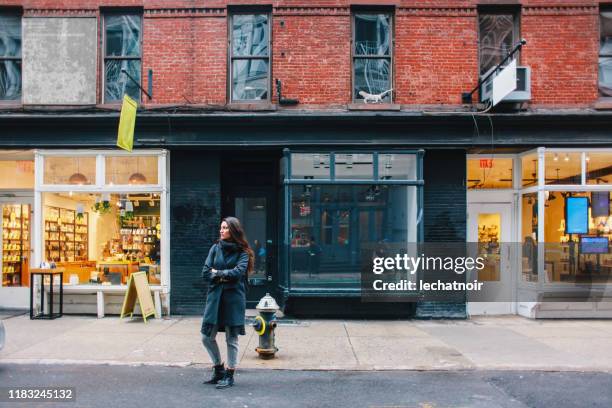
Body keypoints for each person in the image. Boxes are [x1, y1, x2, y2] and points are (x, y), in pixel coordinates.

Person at [200, 217, 254, 389]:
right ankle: (218, 369)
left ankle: (230, 375)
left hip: (233, 299)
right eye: (221, 228)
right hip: (215, 297)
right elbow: (205, 272)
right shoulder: (215, 248)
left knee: (231, 338)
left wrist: (218, 273)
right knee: (206, 337)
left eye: (225, 228)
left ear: (233, 230)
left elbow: (237, 273)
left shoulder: (243, 252)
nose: (221, 230)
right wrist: (222, 274)